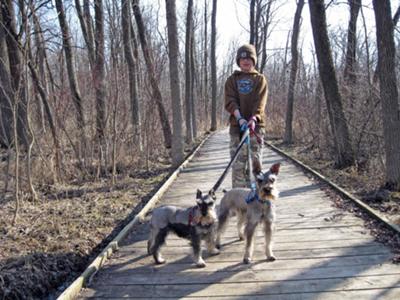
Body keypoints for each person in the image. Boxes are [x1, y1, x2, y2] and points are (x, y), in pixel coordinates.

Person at [224, 44, 268, 188]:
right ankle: (239, 199)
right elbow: (230, 101)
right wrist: (240, 118)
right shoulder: (231, 80)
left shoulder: (260, 79)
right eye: (242, 58)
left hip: (256, 128)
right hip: (237, 127)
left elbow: (260, 102)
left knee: (255, 164)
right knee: (238, 165)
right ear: (238, 61)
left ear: (254, 60)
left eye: (249, 58)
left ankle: (257, 199)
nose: (246, 61)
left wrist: (254, 118)